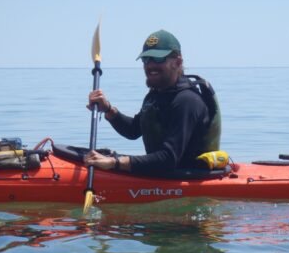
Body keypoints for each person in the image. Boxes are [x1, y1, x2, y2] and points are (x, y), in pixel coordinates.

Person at [84, 29, 221, 175]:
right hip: (161, 174)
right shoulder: (156, 94)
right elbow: (134, 130)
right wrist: (108, 109)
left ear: (178, 62)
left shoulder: (187, 101)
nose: (150, 65)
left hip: (187, 179)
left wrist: (114, 162)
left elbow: (168, 159)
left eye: (158, 59)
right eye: (146, 59)